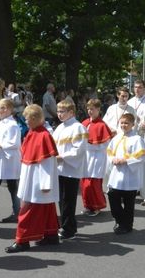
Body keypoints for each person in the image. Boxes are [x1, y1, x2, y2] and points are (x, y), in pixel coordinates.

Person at [5, 105, 60, 253]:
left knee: (27, 210)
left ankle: (22, 241)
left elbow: (47, 163)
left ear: (35, 118)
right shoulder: (33, 132)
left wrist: (45, 183)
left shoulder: (44, 135)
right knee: (47, 208)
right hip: (31, 176)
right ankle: (51, 234)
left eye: (27, 118)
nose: (26, 121)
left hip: (38, 181)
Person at [107, 113, 145, 234]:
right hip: (117, 175)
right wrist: (113, 159)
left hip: (130, 175)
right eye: (122, 123)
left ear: (132, 124)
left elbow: (142, 156)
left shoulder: (137, 139)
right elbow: (109, 152)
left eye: (126, 123)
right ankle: (120, 219)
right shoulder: (116, 138)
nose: (124, 125)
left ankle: (127, 225)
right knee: (112, 196)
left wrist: (126, 160)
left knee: (128, 203)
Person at [52, 99, 88, 239]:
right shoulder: (60, 127)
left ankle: (68, 229)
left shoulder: (78, 127)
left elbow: (79, 150)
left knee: (68, 200)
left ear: (71, 112)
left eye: (62, 111)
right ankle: (69, 226)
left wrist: (62, 157)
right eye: (58, 111)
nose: (59, 114)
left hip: (70, 170)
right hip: (59, 168)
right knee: (61, 199)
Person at [80, 99, 113, 216]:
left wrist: (90, 146)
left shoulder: (102, 125)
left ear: (98, 110)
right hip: (85, 158)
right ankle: (88, 205)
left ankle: (97, 206)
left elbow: (105, 144)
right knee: (84, 182)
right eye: (88, 109)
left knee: (93, 183)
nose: (90, 111)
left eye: (92, 109)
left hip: (97, 157)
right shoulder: (84, 123)